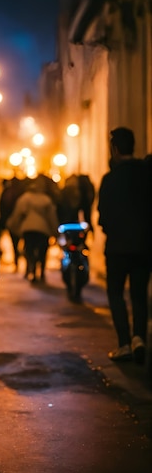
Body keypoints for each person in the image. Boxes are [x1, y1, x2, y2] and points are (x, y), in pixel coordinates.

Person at [97, 127, 151, 364]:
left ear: (115, 149)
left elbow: (103, 215)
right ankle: (140, 337)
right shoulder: (146, 174)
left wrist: (111, 229)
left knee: (116, 294)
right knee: (139, 294)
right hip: (144, 246)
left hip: (117, 247)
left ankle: (124, 344)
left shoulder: (110, 179)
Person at [6, 176, 59, 283]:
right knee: (42, 251)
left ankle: (32, 270)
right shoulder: (46, 199)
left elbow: (17, 214)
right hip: (43, 229)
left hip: (28, 229)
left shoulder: (25, 198)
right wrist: (55, 230)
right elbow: (51, 217)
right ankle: (42, 272)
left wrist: (12, 225)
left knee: (29, 250)